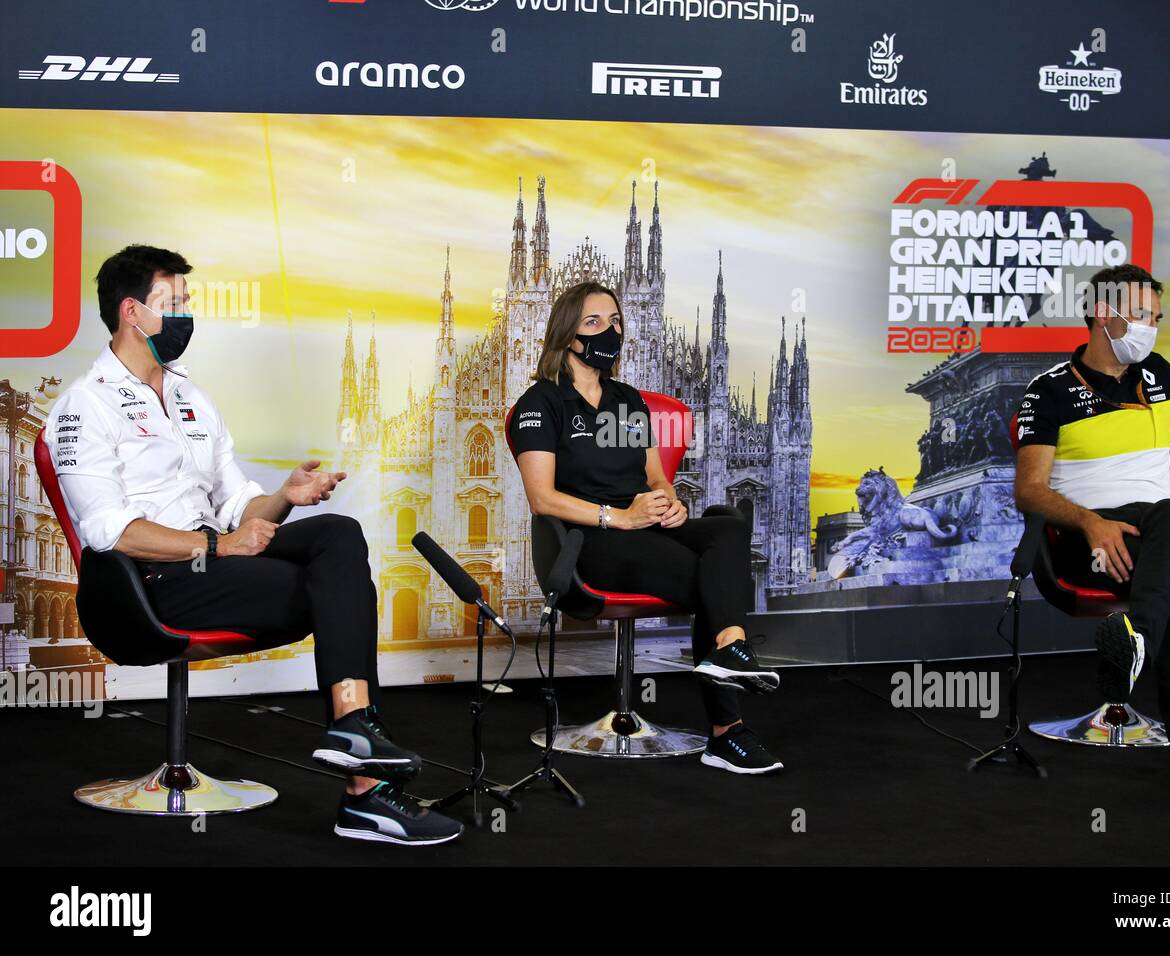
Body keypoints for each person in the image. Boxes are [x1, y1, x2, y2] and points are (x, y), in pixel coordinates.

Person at [46, 245, 462, 844]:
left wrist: (287, 495)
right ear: (132, 312)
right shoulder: (84, 407)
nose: (187, 315)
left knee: (339, 535)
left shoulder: (193, 398)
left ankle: (355, 734)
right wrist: (219, 549)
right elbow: (109, 532)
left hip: (217, 560)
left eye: (188, 302)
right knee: (322, 589)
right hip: (147, 584)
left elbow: (239, 505)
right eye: (175, 304)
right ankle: (368, 796)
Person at [508, 280, 783, 774]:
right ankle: (727, 733)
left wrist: (669, 502)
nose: (608, 332)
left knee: (727, 529)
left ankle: (729, 645)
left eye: (614, 322)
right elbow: (541, 497)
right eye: (593, 323)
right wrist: (621, 517)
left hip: (643, 526)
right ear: (567, 334)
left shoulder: (626, 401)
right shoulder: (541, 404)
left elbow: (655, 474)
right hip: (585, 540)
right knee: (707, 574)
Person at [1014, 263, 1170, 788]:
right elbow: (1028, 489)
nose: (1150, 327)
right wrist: (1091, 523)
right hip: (1082, 541)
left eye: (1155, 317)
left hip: (1161, 531)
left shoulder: (1160, 374)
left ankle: (1139, 645)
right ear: (1099, 313)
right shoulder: (1048, 392)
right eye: (1139, 314)